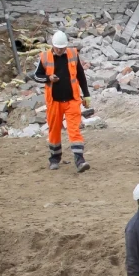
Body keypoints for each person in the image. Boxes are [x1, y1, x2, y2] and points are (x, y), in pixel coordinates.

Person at [32, 31, 91, 172]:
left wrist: (86, 94)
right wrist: (48, 78)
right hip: (54, 102)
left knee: (74, 129)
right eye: (58, 48)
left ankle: (79, 160)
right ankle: (54, 158)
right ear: (53, 46)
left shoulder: (72, 54)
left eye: (62, 48)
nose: (60, 50)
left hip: (72, 100)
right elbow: (36, 76)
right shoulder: (45, 57)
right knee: (54, 130)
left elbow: (81, 76)